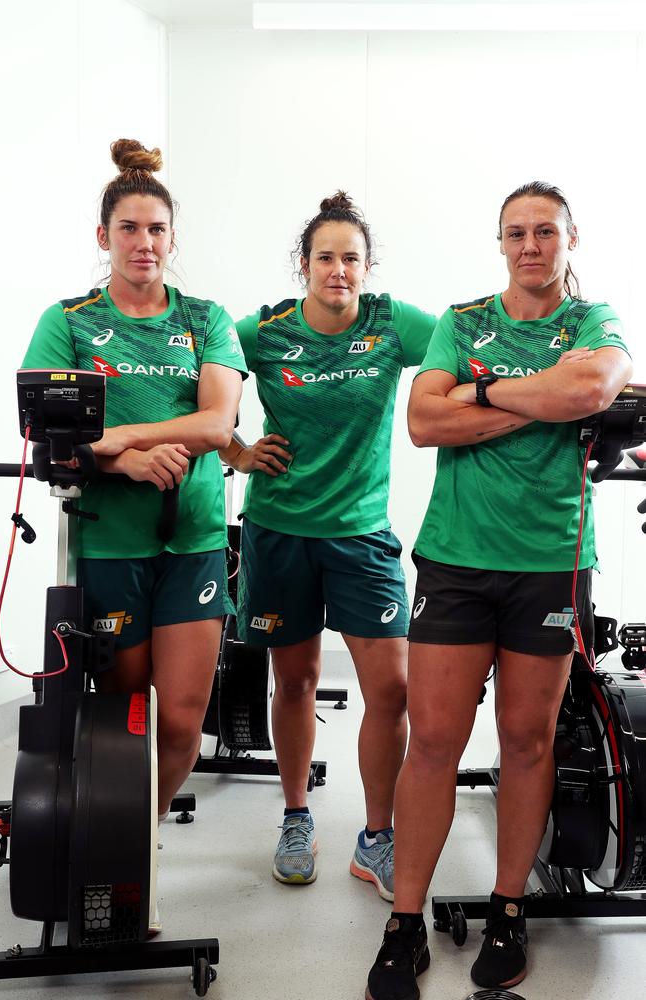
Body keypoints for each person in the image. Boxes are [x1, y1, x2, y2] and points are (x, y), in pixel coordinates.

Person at [365, 181, 632, 999]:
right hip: (457, 558)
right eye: (515, 233)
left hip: (552, 558)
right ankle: (404, 922)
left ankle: (508, 908)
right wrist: (532, 397)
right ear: (500, 241)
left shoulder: (593, 322)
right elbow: (423, 420)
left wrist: (477, 394)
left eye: (545, 232)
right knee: (435, 743)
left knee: (526, 740)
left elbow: (593, 390)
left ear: (570, 238)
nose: (530, 246)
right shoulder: (463, 320)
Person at [22, 140, 247, 928]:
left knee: (182, 719)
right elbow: (49, 434)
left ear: (172, 240)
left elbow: (220, 422)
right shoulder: (70, 322)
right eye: (128, 228)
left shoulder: (205, 319)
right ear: (104, 236)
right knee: (124, 714)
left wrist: (125, 436)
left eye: (156, 229)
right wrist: (118, 461)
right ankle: (110, 857)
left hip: (192, 540)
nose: (143, 242)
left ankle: (125, 849)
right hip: (110, 543)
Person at [220, 192, 437, 898]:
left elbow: (466, 352)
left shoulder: (391, 323)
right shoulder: (266, 330)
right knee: (297, 682)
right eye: (325, 257)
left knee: (393, 691)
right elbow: (198, 376)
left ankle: (376, 837)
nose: (337, 270)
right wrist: (237, 448)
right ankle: (295, 816)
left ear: (366, 266)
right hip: (281, 531)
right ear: (303, 266)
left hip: (362, 535)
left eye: (350, 258)